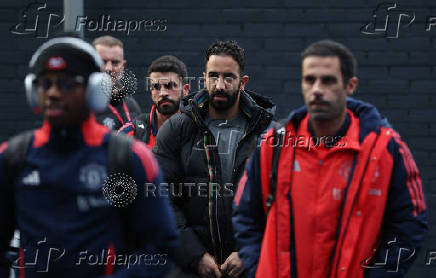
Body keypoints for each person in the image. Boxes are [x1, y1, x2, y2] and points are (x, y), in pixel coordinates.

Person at [232, 39, 428, 278]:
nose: (317, 89)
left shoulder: (385, 148)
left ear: (350, 85)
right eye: (309, 80)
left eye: (328, 80)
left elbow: (410, 223)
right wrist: (259, 269)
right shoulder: (274, 144)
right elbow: (245, 216)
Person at [0, 36, 178, 278]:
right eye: (46, 83)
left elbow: (161, 247)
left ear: (94, 91)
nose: (53, 93)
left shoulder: (130, 158)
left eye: (67, 83)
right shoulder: (12, 158)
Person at [153, 40, 275, 278]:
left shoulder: (268, 133)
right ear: (204, 78)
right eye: (213, 76)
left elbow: (281, 201)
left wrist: (250, 250)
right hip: (190, 269)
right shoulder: (177, 130)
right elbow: (160, 197)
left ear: (243, 82)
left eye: (229, 77)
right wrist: (195, 255)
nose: (220, 85)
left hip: (250, 267)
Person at [118, 55, 189, 148]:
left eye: (170, 86)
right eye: (156, 87)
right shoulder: (131, 134)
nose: (163, 93)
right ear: (151, 90)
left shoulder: (199, 133)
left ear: (185, 90)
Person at [93, 35, 141, 130]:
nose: (109, 68)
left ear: (123, 66)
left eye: (115, 63)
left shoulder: (131, 105)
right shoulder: (82, 104)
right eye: (103, 62)